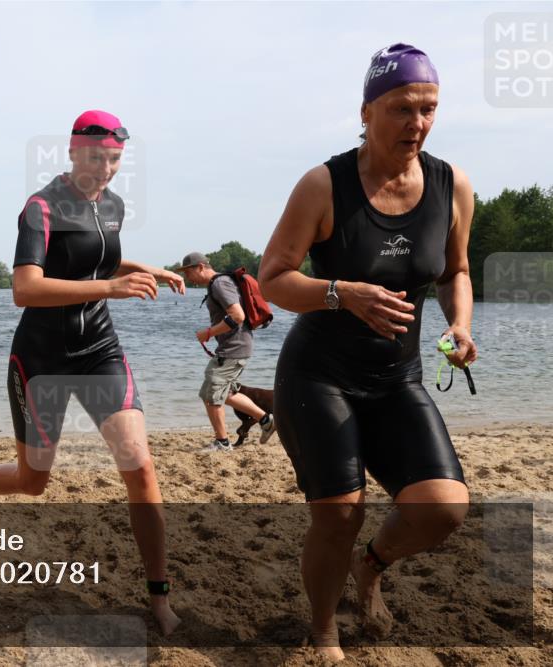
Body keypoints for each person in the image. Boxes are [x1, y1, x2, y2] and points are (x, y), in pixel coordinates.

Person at [258, 44, 476, 662]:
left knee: (443, 509)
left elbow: (455, 270)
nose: (417, 122)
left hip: (397, 376)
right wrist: (339, 292)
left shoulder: (451, 184)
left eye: (428, 109)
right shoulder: (324, 184)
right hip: (319, 376)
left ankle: (371, 568)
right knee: (338, 513)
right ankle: (324, 629)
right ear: (367, 111)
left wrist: (459, 325)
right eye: (401, 108)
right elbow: (272, 278)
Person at [0, 110, 184, 635]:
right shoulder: (40, 208)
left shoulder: (114, 205)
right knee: (34, 482)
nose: (106, 169)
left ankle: (159, 596)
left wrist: (146, 268)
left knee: (141, 469)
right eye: (97, 158)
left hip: (100, 348)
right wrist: (111, 288)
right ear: (73, 153)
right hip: (40, 358)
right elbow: (26, 289)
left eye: (115, 160)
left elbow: (97, 259)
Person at [176, 252, 275, 451]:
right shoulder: (219, 283)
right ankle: (266, 421)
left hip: (234, 349)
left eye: (188, 272)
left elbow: (237, 315)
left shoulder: (219, 284)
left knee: (212, 394)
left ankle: (222, 442)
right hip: (235, 347)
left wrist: (209, 333)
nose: (188, 277)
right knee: (221, 392)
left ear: (201, 267)